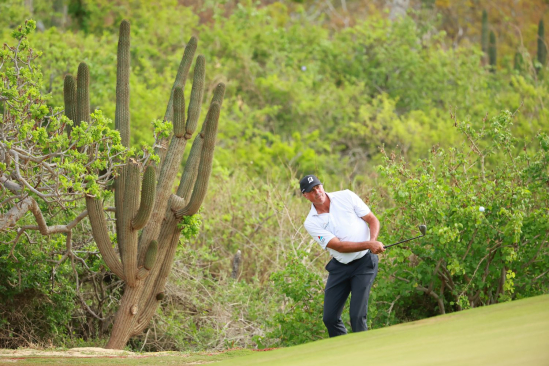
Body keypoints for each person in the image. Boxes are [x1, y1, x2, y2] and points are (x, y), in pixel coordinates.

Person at [300, 174, 385, 337]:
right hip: (340, 267)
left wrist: (373, 242)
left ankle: (364, 356)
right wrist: (370, 244)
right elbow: (338, 246)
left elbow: (372, 219)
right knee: (330, 318)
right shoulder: (311, 222)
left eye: (318, 186)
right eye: (311, 190)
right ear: (305, 196)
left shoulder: (346, 196)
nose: (317, 191)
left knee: (357, 317)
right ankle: (345, 352)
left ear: (322, 186)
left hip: (364, 262)